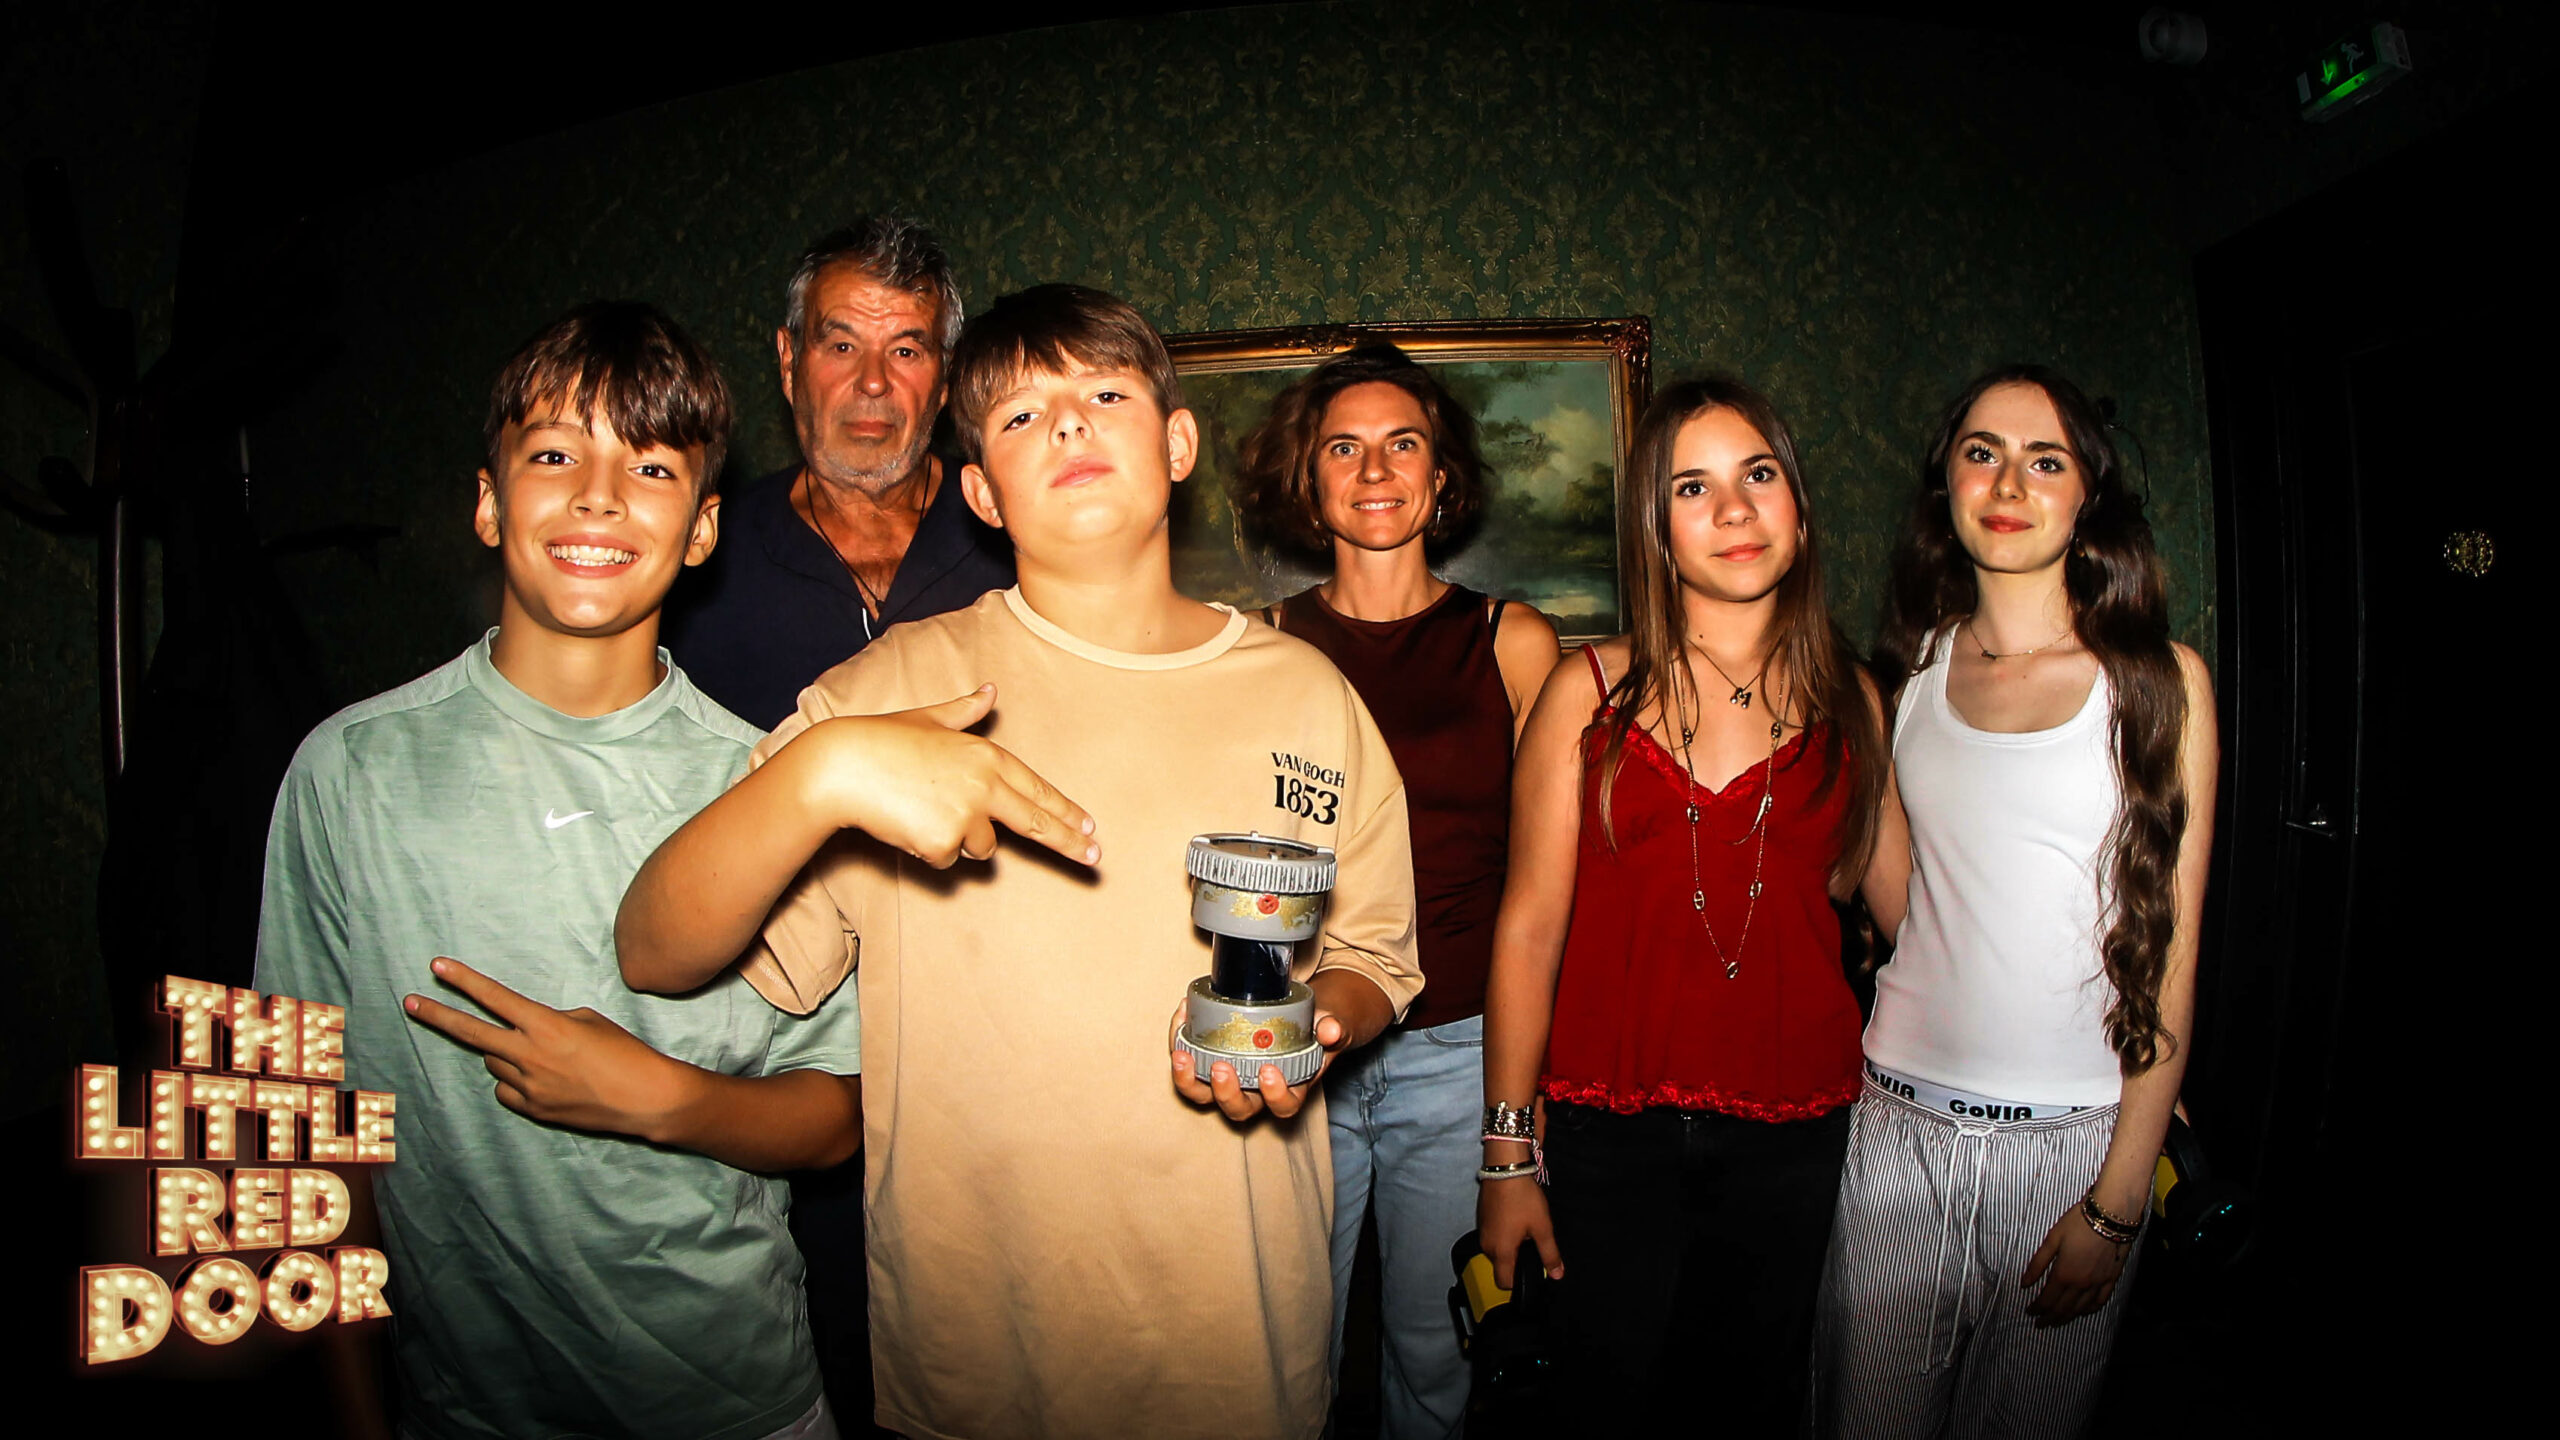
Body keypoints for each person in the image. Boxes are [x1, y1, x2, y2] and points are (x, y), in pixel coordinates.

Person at [252, 302, 1071, 1440]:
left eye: (649, 467)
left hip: (738, 1394)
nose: (598, 496)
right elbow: (298, 1127)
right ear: (488, 502)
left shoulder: (764, 781)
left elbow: (836, 1112)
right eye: (554, 456)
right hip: (463, 1403)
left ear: (700, 529)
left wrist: (662, 1099)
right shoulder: (352, 771)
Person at [618, 284, 1422, 1440]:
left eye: (1105, 395)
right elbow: (655, 949)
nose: (1070, 423)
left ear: (1177, 443)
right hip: (979, 1356)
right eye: (1021, 415)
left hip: (1238, 1338)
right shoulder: (885, 692)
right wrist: (821, 773)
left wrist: (1318, 1024)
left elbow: (1374, 956)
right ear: (983, 494)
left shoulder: (1307, 693)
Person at [1477, 377, 1894, 1431]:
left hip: (1794, 1138)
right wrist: (1507, 1155)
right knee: (1602, 1407)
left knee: (1748, 1409)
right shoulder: (1588, 691)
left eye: (1758, 475)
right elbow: (1528, 931)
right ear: (1655, 532)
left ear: (1799, 509)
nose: (1735, 509)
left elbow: (1917, 924)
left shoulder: (1856, 701)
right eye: (1692, 488)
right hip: (1607, 1133)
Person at [1811, 366, 2216, 1438]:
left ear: (2088, 495)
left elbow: (2172, 952)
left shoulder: (2160, 684)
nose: (2008, 483)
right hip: (1898, 1132)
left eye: (2046, 460)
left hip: (2076, 1148)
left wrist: (2119, 1201)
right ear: (1945, 482)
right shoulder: (1909, 677)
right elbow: (1914, 907)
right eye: (1981, 453)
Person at [1231, 342, 1558, 1439]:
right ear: (1307, 478)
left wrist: (1527, 1107)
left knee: (1435, 1360)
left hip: (1461, 1052)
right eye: (1343, 448)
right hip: (1302, 1049)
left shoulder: (1512, 642)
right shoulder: (1261, 648)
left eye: (1401, 443)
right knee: (1285, 1355)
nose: (1374, 471)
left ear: (1440, 472)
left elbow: (1554, 882)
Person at [665, 216, 1013, 731]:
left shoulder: (1022, 531)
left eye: (905, 351)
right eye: (842, 347)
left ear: (945, 378)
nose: (873, 382)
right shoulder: (695, 560)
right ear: (789, 364)